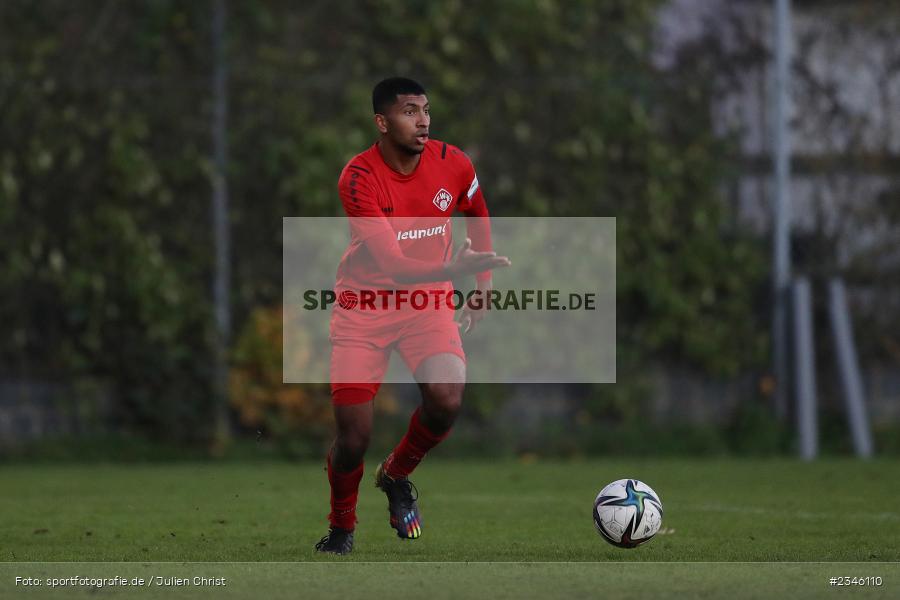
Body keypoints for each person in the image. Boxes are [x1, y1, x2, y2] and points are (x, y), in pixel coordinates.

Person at [315, 77, 509, 554]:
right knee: (354, 436)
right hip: (365, 307)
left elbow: (477, 212)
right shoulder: (358, 177)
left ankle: (396, 474)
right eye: (408, 110)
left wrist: (479, 286)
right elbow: (393, 267)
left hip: (427, 304)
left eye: (425, 109)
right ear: (382, 122)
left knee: (446, 399)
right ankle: (342, 527)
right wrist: (455, 269)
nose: (422, 119)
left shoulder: (454, 162)